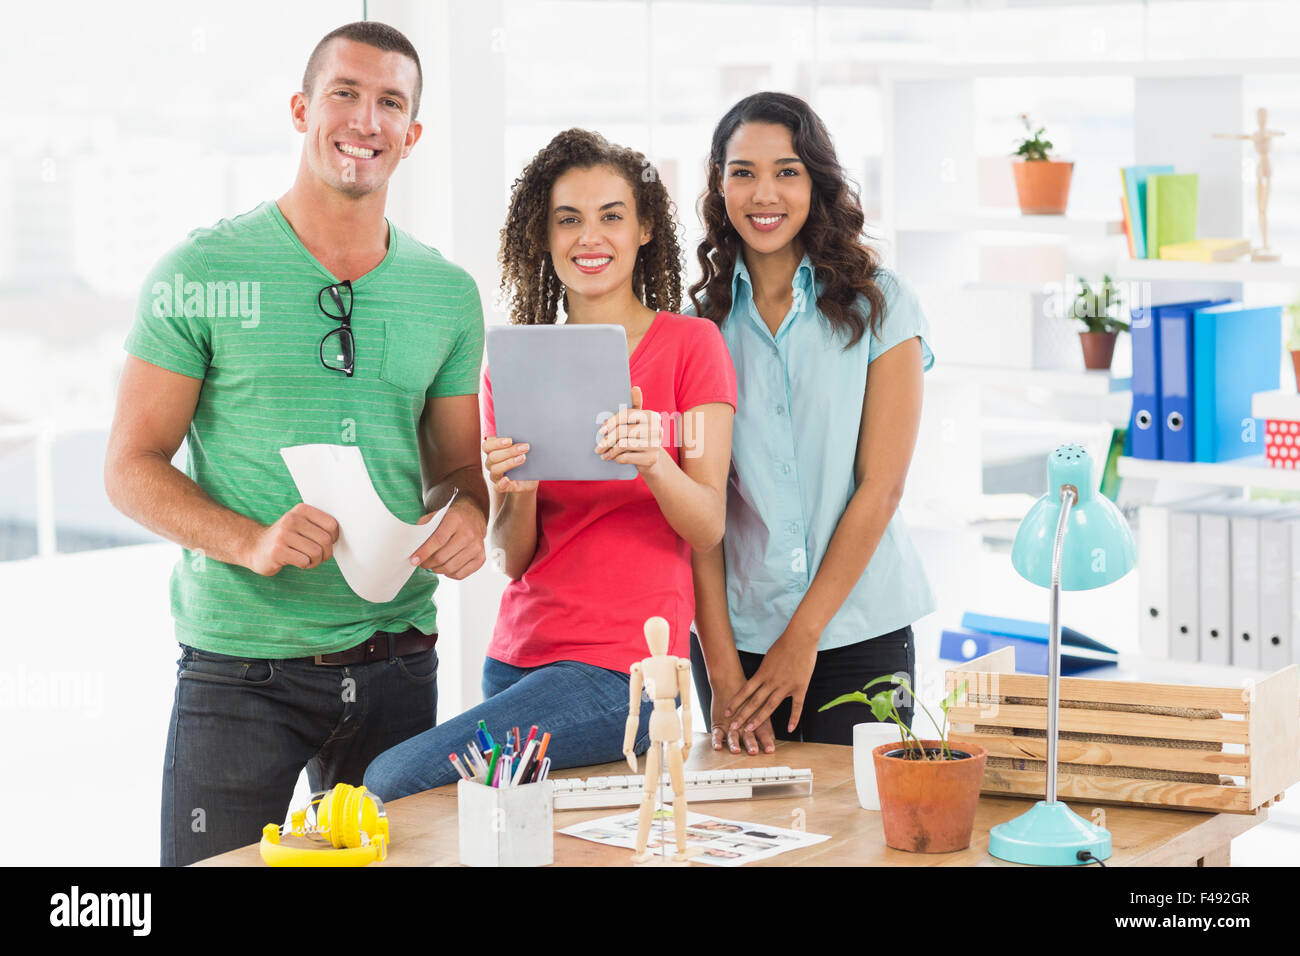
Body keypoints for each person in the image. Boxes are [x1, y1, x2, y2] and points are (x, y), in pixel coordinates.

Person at [103, 21, 490, 867]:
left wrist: (468, 515)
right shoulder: (201, 272)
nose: (366, 119)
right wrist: (251, 540)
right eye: (344, 93)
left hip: (397, 662)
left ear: (413, 134)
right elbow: (129, 468)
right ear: (301, 108)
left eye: (391, 102)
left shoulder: (448, 294)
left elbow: (461, 469)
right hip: (240, 672)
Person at [363, 128, 736, 800]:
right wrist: (519, 492)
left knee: (393, 779)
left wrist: (654, 461)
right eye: (569, 219)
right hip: (514, 659)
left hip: (625, 673)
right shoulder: (516, 366)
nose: (589, 238)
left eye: (611, 217)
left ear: (645, 229)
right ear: (544, 235)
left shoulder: (691, 346)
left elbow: (708, 525)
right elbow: (514, 557)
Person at [687, 91, 936, 755]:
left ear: (816, 182)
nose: (763, 193)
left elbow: (881, 486)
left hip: (860, 636)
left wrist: (802, 639)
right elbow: (697, 513)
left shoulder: (882, 304)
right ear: (719, 184)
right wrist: (720, 671)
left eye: (786, 171)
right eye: (742, 172)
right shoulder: (696, 326)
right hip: (732, 645)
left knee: (862, 843)